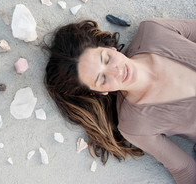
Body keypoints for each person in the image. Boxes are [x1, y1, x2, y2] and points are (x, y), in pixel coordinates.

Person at [45, 19, 196, 183]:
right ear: (101, 91)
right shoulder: (135, 125)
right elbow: (184, 168)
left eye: (107, 59)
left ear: (110, 48)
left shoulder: (155, 31)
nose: (115, 71)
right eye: (102, 78)